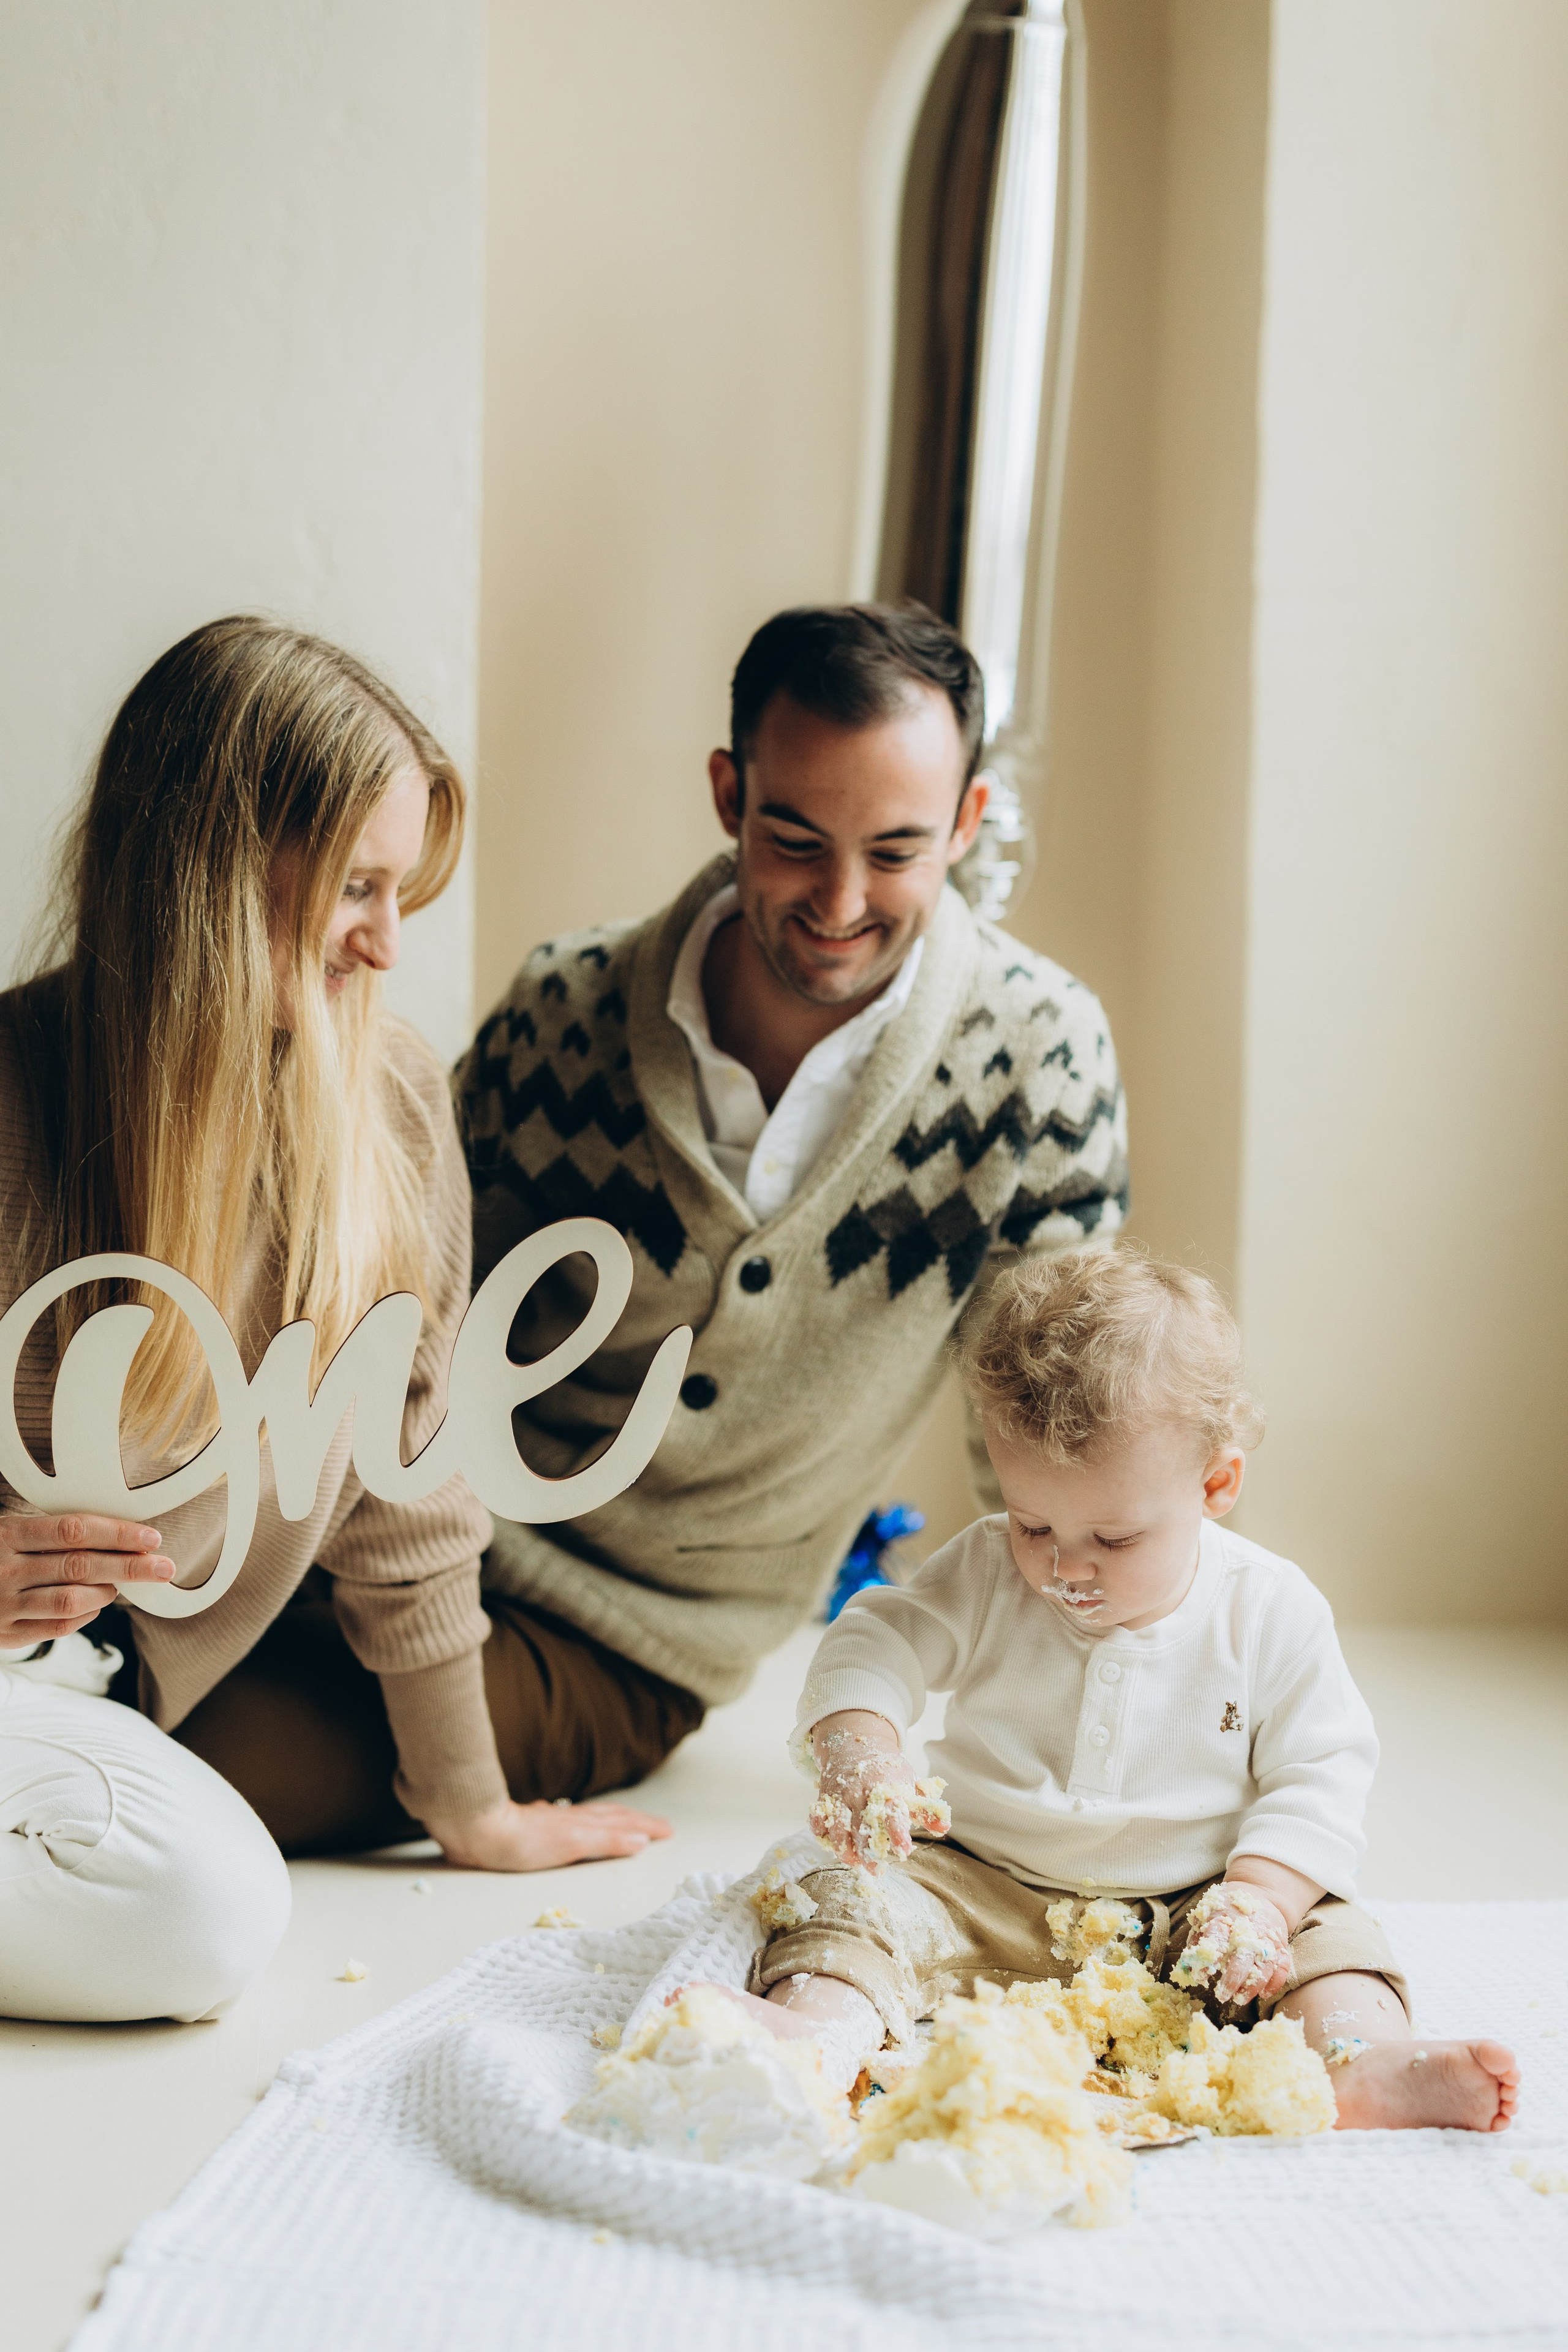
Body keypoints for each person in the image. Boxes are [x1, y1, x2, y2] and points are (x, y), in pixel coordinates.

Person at [0, 618, 664, 2025]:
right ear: (217, 877)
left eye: (404, 888)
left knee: (207, 1916)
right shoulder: (13, 1101)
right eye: (360, 885)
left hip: (68, 1715)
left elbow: (405, 1492)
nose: (388, 939)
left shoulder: (393, 1107)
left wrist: (469, 1806)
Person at [455, 603, 1129, 1801]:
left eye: (895, 851)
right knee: (146, 1669)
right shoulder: (560, 1005)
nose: (838, 901)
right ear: (728, 795)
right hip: (393, 1533)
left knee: (253, 1760)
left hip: (627, 1642)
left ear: (967, 825)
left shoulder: (1039, 1055)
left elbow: (1053, 1416)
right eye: (795, 839)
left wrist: (1096, 1714)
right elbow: (404, 1289)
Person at [720, 1247, 1519, 2133]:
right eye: (1035, 1523)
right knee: (847, 1901)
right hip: (983, 1886)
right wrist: (861, 1750)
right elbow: (877, 1638)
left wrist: (1262, 1896)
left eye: (1114, 1537)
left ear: (1215, 1484)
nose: (1066, 1568)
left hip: (1201, 1908)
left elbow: (1321, 1773)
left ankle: (1355, 2062)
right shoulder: (987, 1569)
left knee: (1332, 1944)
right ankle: (813, 2041)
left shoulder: (1269, 1609)